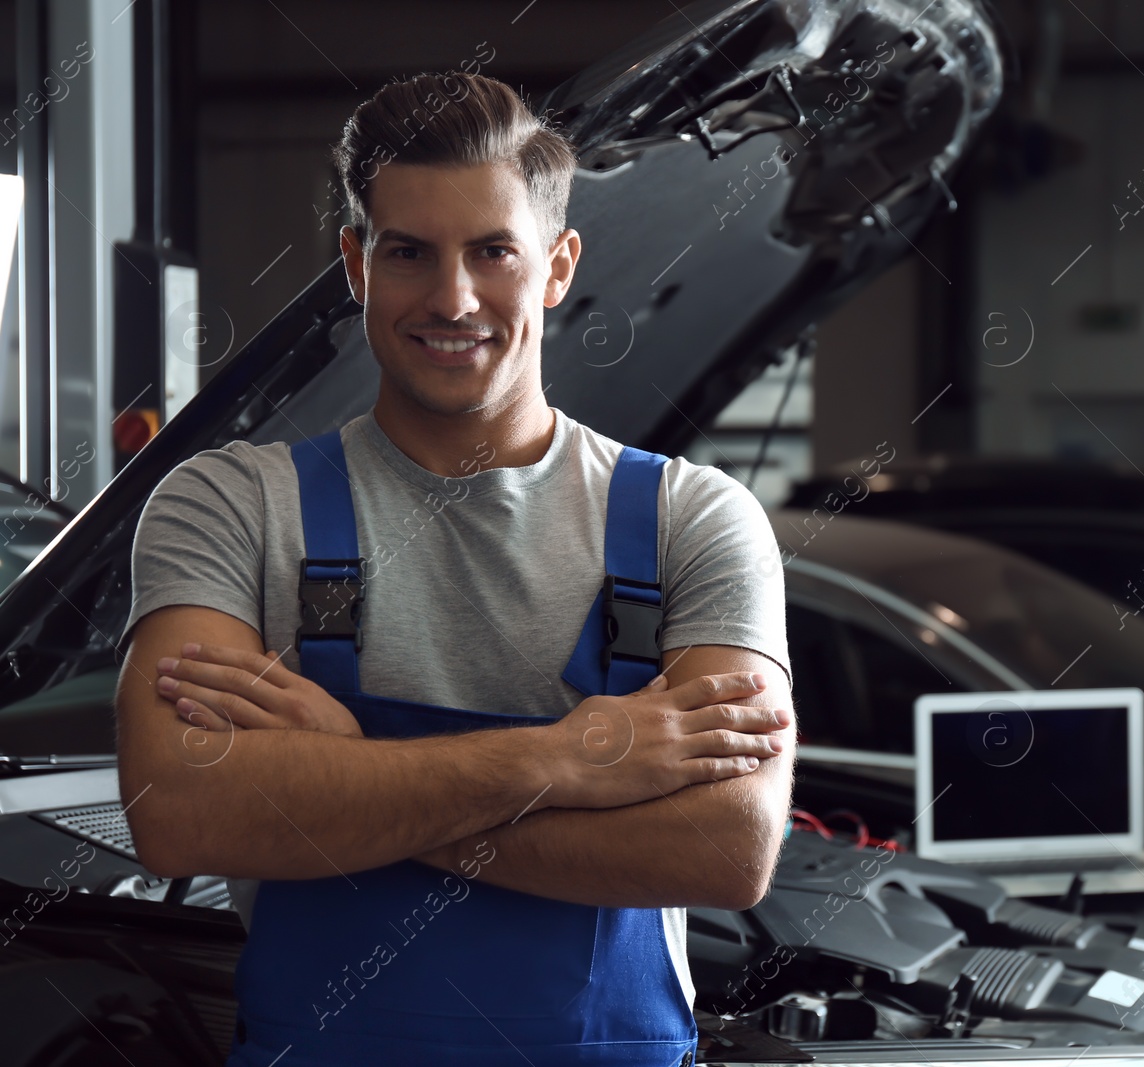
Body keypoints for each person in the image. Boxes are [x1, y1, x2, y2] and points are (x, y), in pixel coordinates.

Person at [113, 71, 795, 1067]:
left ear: (557, 266)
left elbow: (727, 849)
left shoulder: (695, 517)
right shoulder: (231, 505)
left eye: (492, 251)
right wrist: (565, 759)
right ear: (354, 264)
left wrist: (343, 773)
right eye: (408, 253)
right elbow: (177, 813)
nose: (452, 297)